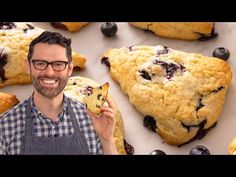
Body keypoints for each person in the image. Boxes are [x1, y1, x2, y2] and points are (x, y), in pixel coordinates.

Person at [0, 31, 118, 155]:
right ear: (28, 66)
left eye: (58, 64)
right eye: (40, 63)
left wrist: (107, 140)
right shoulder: (5, 126)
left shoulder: (92, 120)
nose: (50, 72)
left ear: (70, 69)